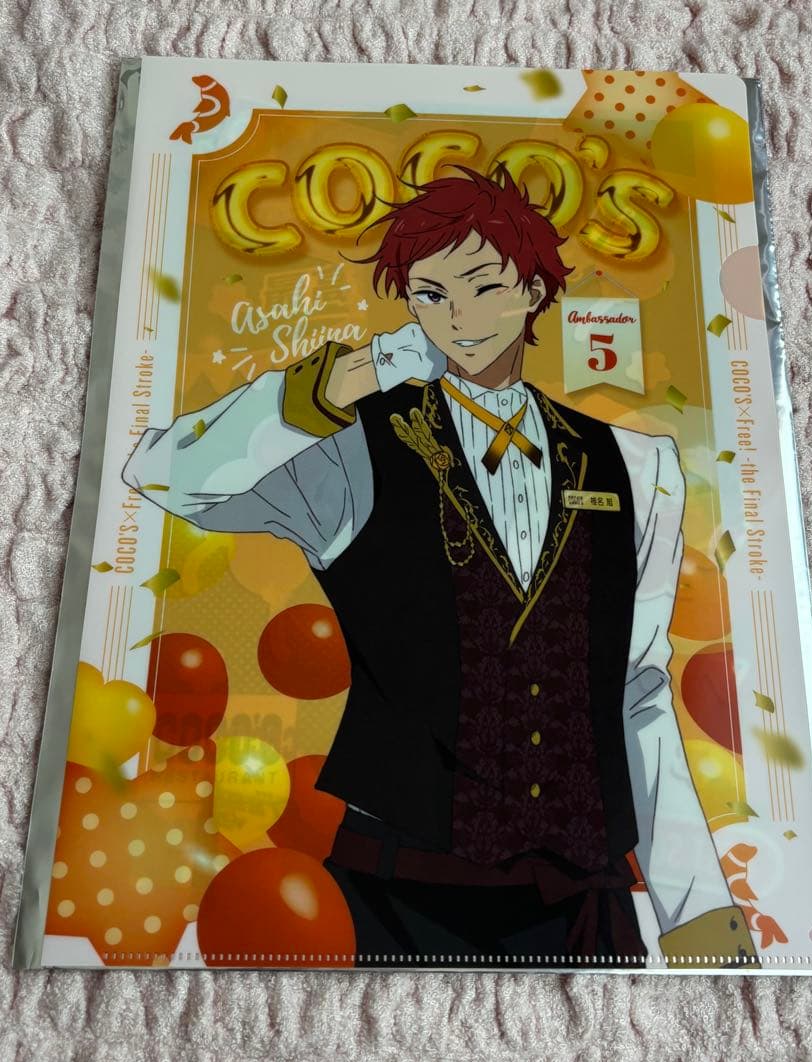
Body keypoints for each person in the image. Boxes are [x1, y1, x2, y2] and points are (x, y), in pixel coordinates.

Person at [123, 166, 759, 969]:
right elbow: (162, 474)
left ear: (533, 290)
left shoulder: (638, 465)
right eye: (431, 295)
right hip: (396, 891)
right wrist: (351, 376)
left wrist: (698, 916)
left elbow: (636, 693)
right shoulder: (347, 449)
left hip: (583, 898)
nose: (459, 318)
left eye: (484, 287)